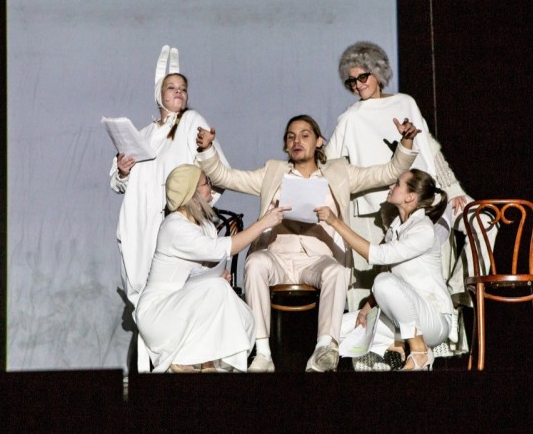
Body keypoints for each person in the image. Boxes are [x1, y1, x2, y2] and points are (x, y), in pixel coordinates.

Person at [196, 114, 420, 372]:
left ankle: (324, 349)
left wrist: (406, 142)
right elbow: (226, 177)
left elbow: (387, 172)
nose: (297, 141)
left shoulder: (339, 172)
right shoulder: (273, 172)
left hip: (317, 259)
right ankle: (263, 353)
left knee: (336, 270)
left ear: (319, 141)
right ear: (285, 144)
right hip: (278, 256)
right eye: (291, 137)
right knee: (255, 262)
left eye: (304, 135)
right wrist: (207, 149)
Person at [325, 41, 490, 354]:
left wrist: (454, 191)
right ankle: (393, 350)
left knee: (480, 225)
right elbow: (330, 163)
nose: (357, 85)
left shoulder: (406, 103)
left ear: (378, 73)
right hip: (383, 209)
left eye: (362, 77)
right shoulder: (350, 118)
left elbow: (430, 151)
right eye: (351, 81)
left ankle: (458, 294)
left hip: (427, 198)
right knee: (387, 280)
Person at [135, 164, 289, 373]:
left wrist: (217, 274)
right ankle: (194, 359)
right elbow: (221, 249)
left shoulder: (206, 226)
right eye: (206, 182)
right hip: (159, 314)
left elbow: (206, 265)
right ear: (193, 192)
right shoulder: (174, 226)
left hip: (187, 305)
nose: (211, 187)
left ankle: (205, 363)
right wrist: (263, 223)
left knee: (244, 316)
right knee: (216, 289)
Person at [109, 46, 228, 309]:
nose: (178, 92)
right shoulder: (141, 135)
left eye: (183, 88)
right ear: (159, 94)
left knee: (179, 294)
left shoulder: (191, 121)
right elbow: (118, 184)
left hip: (177, 223)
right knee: (146, 293)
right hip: (142, 223)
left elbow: (219, 173)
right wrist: (123, 171)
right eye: (171, 87)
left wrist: (206, 150)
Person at [316, 168, 454, 371]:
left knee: (383, 281)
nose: (391, 186)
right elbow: (390, 276)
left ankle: (419, 351)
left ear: (410, 197)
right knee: (333, 330)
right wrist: (366, 309)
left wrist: (335, 222)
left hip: (434, 321)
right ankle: (399, 345)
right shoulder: (396, 228)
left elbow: (377, 256)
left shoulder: (424, 230)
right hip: (404, 320)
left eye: (397, 184)